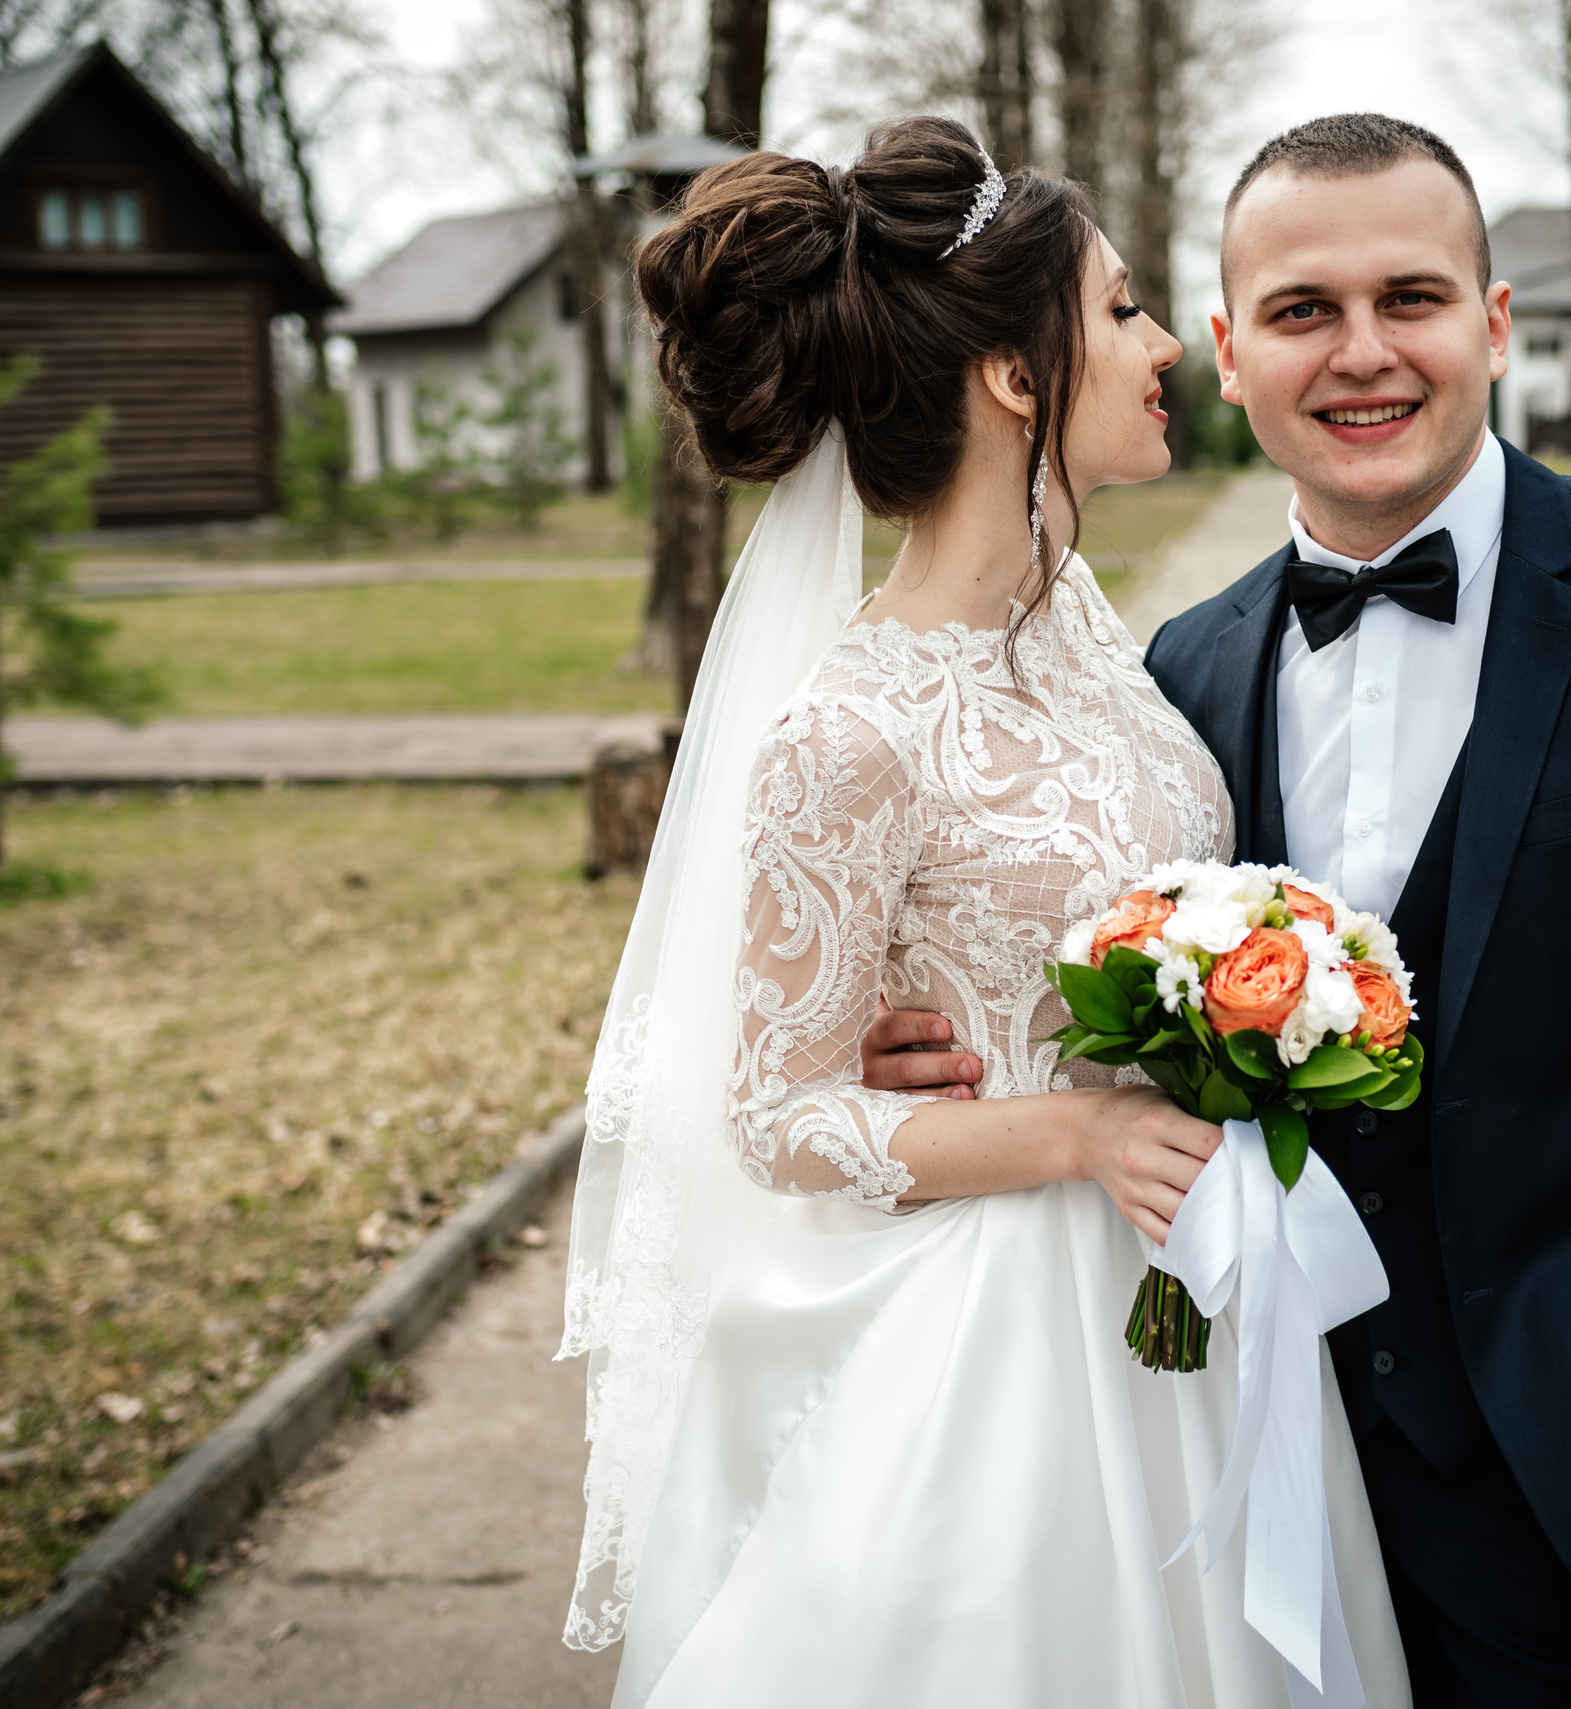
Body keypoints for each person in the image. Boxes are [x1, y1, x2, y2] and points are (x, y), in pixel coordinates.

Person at [864, 114, 1571, 1706]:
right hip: (1238, 1468)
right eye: (1300, 311)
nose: (1361, 354)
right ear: (1226, 346)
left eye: (1409, 297)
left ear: (1493, 320)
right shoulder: (1175, 679)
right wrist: (930, 1048)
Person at [558, 116, 1410, 1709]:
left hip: (1179, 1294)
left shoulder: (1082, 622)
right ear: (1015, 374)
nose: (1165, 347)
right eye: (1123, 310)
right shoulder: (849, 727)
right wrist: (1071, 1135)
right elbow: (773, 1114)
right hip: (995, 1346)